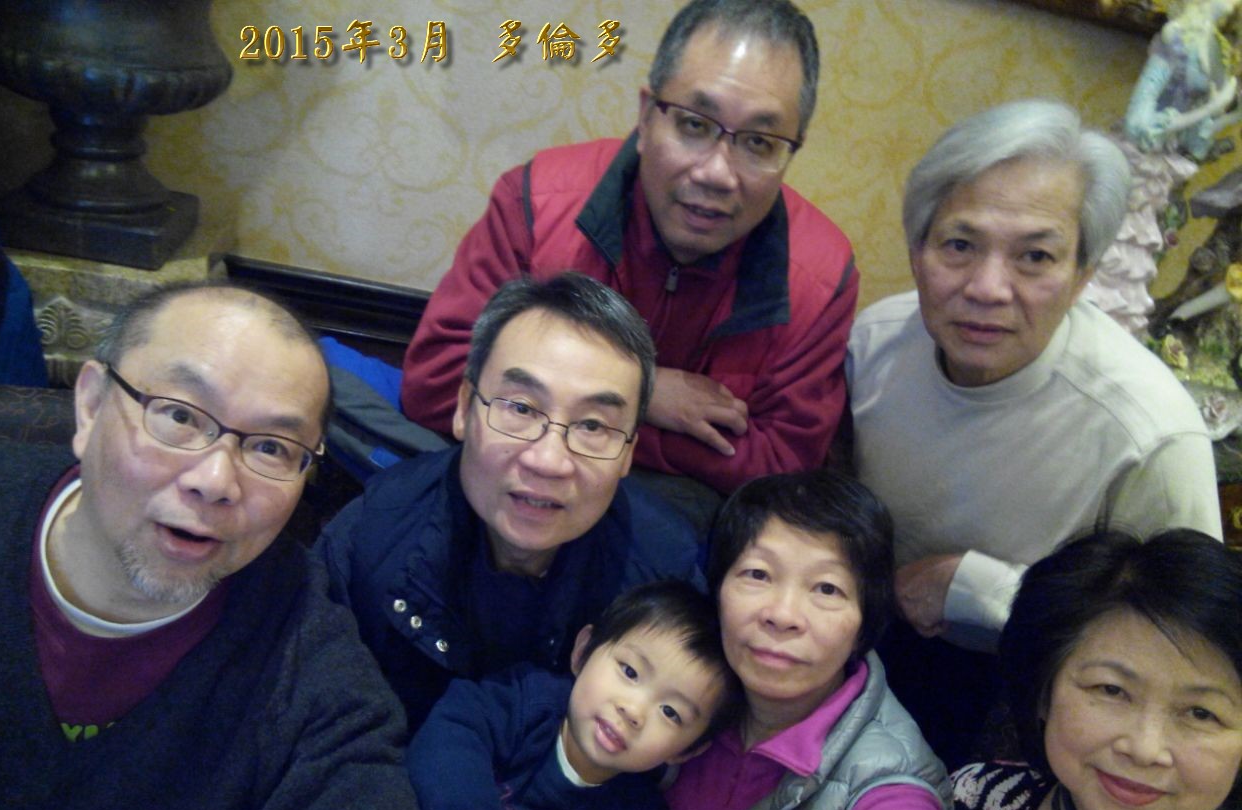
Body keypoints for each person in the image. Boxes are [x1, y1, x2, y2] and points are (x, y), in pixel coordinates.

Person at [0, 283, 545, 810]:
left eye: (271, 448)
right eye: (179, 415)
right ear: (91, 405)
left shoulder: (301, 646)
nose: (216, 480)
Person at [847, 98, 1222, 765]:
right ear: (916, 250)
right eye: (959, 245)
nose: (988, 288)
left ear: (1082, 276)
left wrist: (980, 590)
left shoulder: (1150, 432)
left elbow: (1183, 635)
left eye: (1035, 257)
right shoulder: (873, 341)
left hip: (1032, 691)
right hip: (859, 633)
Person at [400, 0, 858, 502]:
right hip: (517, 487)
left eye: (759, 142)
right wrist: (641, 393)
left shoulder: (821, 277)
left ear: (792, 150)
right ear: (645, 116)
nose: (716, 174)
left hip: (680, 521)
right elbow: (437, 383)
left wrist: (585, 420)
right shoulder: (536, 205)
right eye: (694, 124)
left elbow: (781, 471)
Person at [320, 273, 703, 734]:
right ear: (465, 408)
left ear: (627, 453)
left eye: (593, 426)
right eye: (520, 408)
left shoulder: (665, 578)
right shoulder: (370, 535)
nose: (548, 461)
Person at [664, 470, 951, 810]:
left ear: (864, 625)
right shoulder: (681, 691)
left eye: (827, 589)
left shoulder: (890, 788)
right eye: (758, 574)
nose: (782, 614)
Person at [939, 529, 1242, 810]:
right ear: (1043, 691)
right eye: (1111, 690)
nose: (1144, 749)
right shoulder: (968, 805)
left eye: (1201, 713)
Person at [407, 580, 742, 810]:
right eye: (630, 672)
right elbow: (441, 748)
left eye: (670, 712)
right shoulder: (522, 703)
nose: (633, 711)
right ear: (583, 651)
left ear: (687, 750)